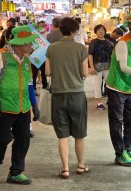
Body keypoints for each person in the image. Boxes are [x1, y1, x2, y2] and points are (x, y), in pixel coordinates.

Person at [0, 25, 40, 185]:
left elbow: (30, 84)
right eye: (29, 43)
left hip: (23, 107)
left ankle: (16, 172)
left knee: (23, 140)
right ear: (19, 43)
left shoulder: (26, 61)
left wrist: (34, 104)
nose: (31, 46)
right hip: (4, 106)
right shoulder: (1, 55)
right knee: (3, 139)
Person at [45, 17, 90, 179]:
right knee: (79, 133)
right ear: (74, 31)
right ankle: (80, 165)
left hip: (58, 95)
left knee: (62, 135)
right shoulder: (81, 49)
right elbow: (85, 73)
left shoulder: (51, 49)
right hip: (77, 94)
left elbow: (47, 72)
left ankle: (65, 169)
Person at [105, 12, 131, 167]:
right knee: (117, 122)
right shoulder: (122, 43)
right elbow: (122, 66)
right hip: (116, 86)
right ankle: (120, 153)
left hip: (130, 86)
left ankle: (128, 149)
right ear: (130, 26)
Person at [88, 24, 113, 110]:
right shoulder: (93, 42)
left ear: (105, 31)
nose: (101, 31)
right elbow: (90, 55)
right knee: (97, 85)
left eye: (102, 29)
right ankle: (99, 103)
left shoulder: (108, 42)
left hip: (108, 66)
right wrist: (91, 67)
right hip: (97, 67)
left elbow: (112, 54)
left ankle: (111, 100)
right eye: (98, 30)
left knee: (110, 84)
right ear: (95, 32)